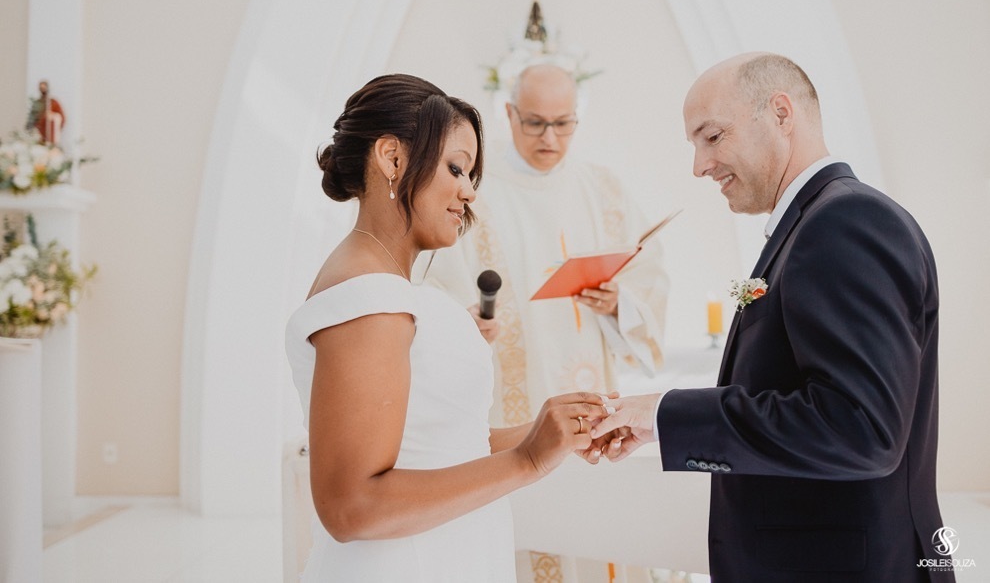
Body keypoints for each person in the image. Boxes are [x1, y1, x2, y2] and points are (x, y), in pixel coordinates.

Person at [591, 52, 953, 581]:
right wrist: (655, 425)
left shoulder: (845, 223)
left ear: (782, 114)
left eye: (712, 137)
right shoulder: (816, 224)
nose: (699, 165)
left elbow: (861, 428)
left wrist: (667, 414)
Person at [284, 73, 613, 582]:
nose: (468, 193)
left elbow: (442, 447)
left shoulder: (386, 288)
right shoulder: (370, 297)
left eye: (473, 176)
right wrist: (527, 460)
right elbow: (352, 506)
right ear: (392, 158)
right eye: (457, 168)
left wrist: (548, 432)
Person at [420, 63, 669, 581]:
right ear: (508, 114)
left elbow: (651, 278)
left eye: (564, 123)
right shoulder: (472, 196)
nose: (550, 138)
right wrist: (463, 323)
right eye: (534, 123)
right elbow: (433, 288)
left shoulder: (604, 190)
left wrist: (619, 302)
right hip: (513, 410)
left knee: (596, 536)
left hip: (594, 399)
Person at [25, 80, 65, 144]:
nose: (43, 90)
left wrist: (53, 115)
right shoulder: (36, 103)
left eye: (44, 88)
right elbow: (32, 118)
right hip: (39, 133)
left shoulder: (53, 103)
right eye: (41, 88)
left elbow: (61, 117)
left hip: (50, 134)